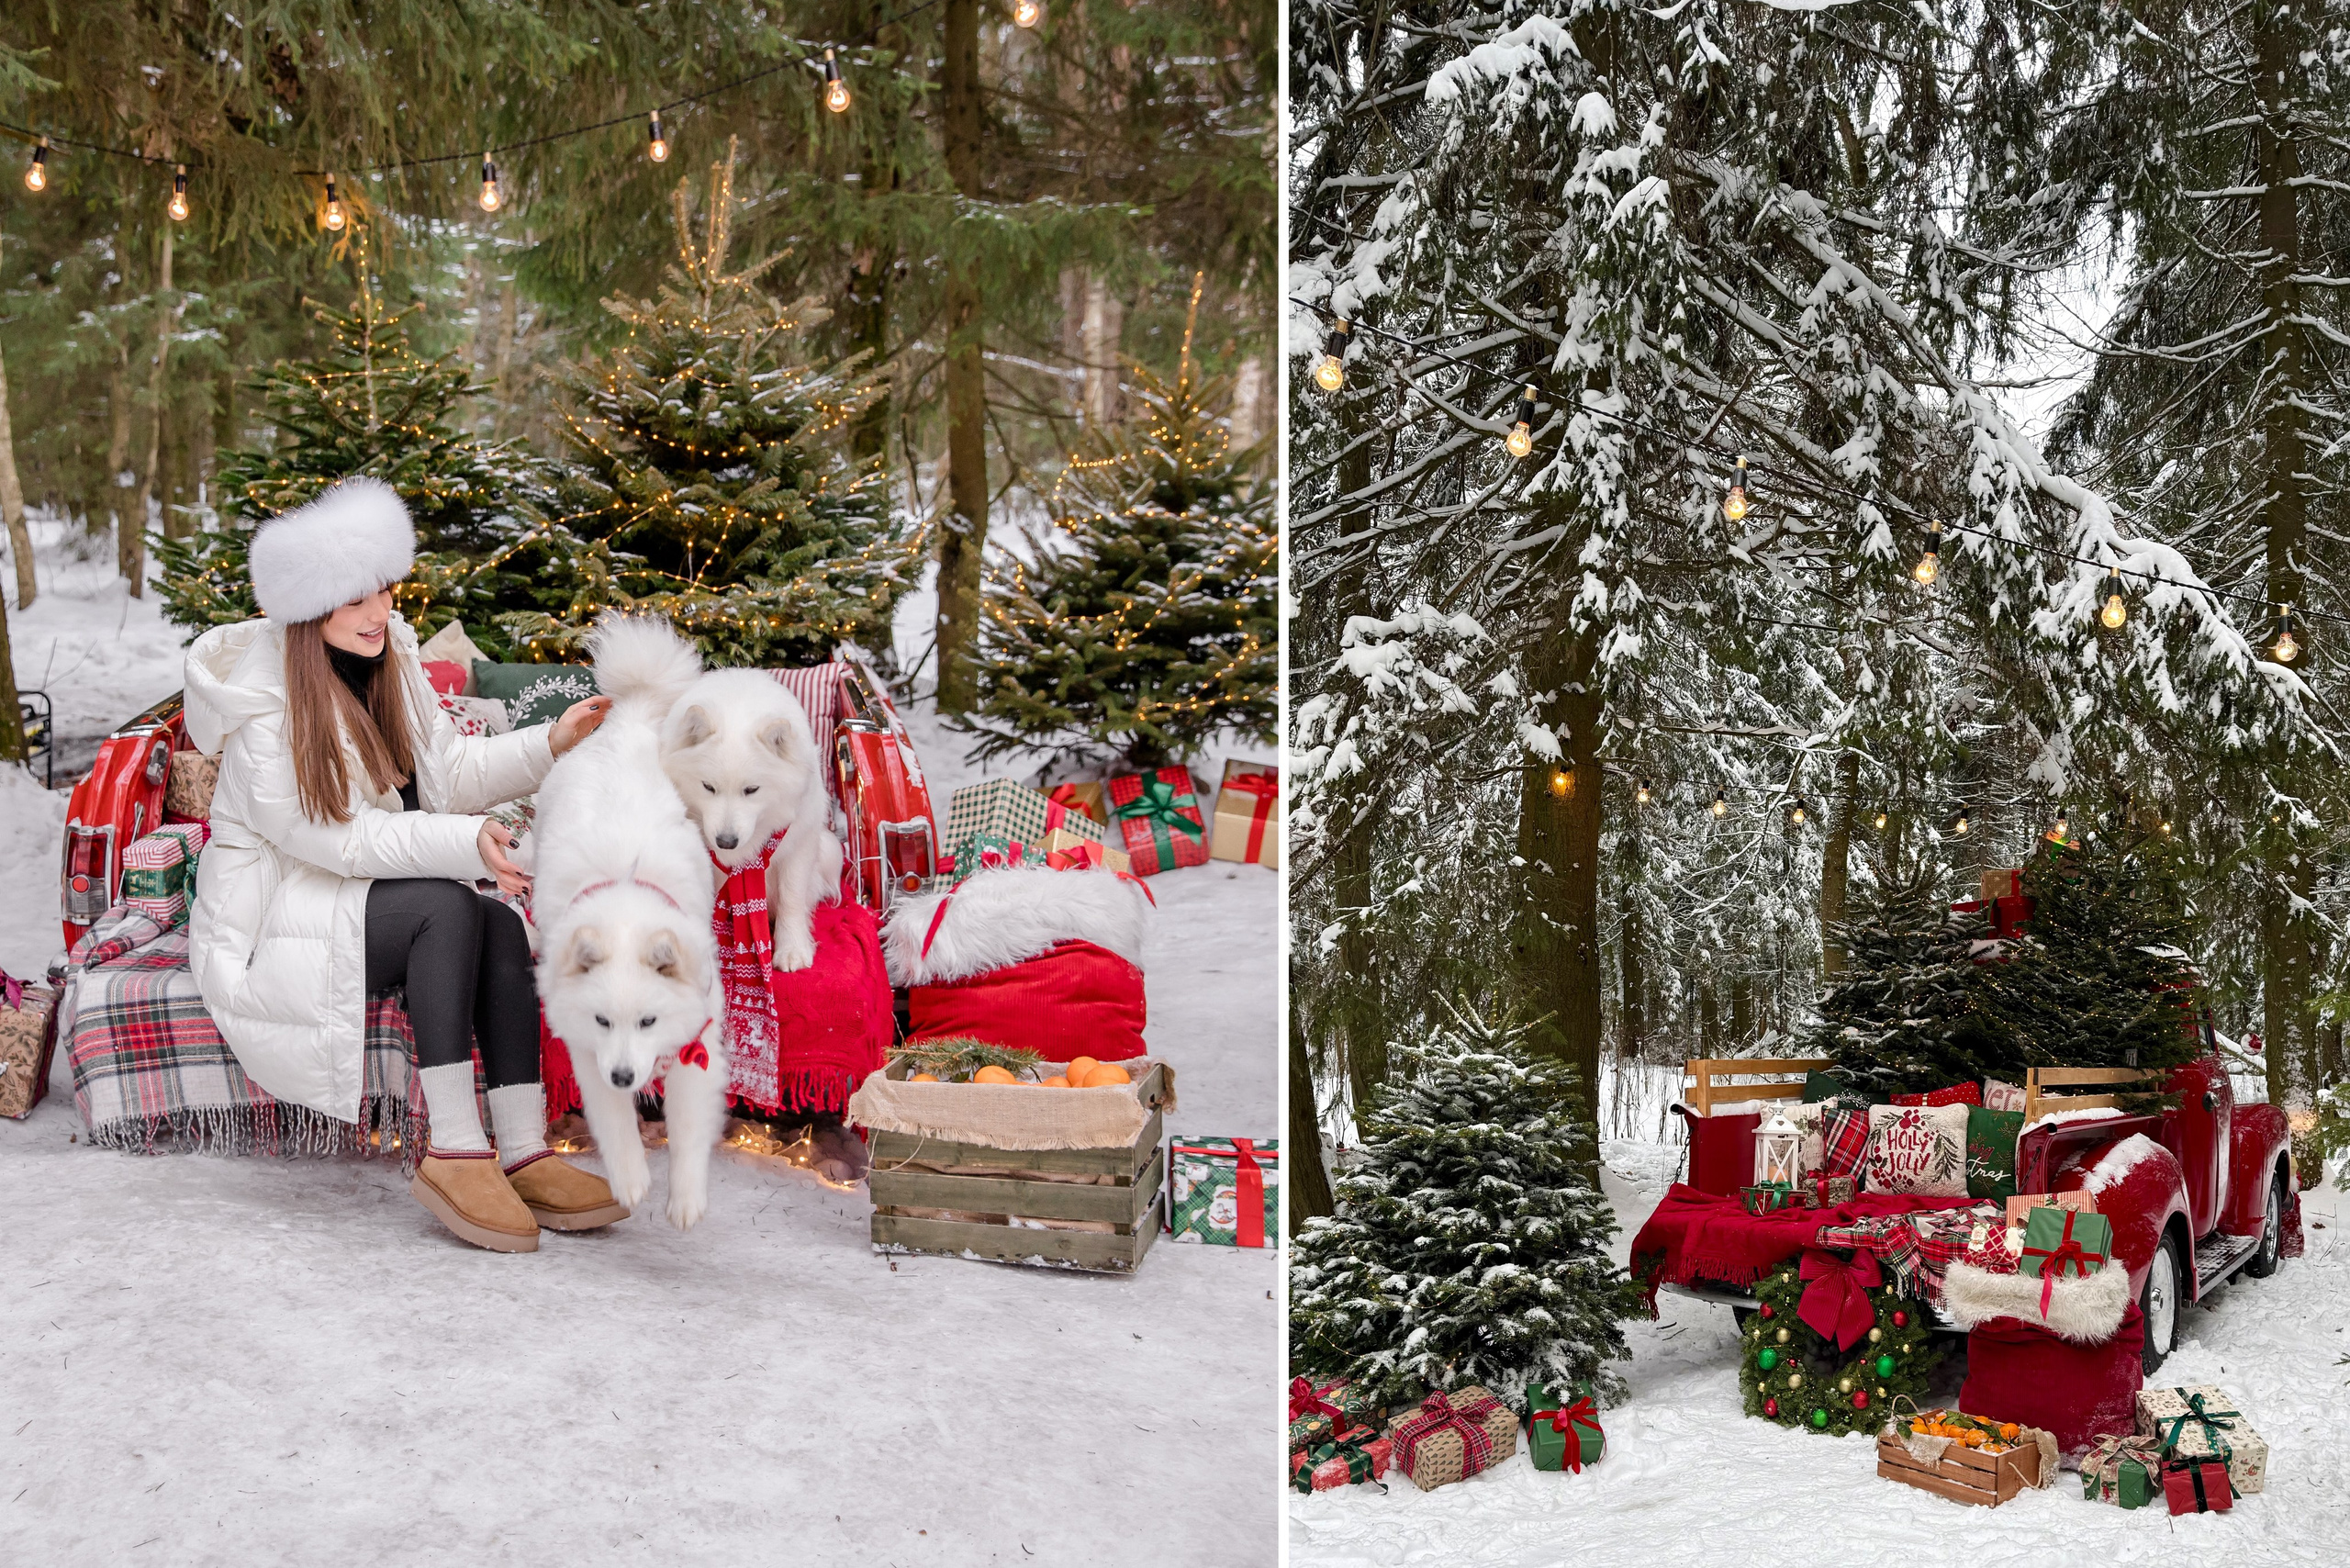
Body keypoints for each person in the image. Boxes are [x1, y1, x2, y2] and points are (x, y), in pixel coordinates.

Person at [183, 476, 619, 1253]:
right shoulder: (264, 708)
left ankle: (522, 1149)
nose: (379, 613)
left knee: (493, 918)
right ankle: (454, 1149)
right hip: (282, 917)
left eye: (384, 591)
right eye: (356, 600)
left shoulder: (392, 660)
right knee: (447, 907)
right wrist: (466, 841)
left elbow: (449, 772)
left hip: (364, 896)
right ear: (311, 608)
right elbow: (337, 843)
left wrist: (551, 742)